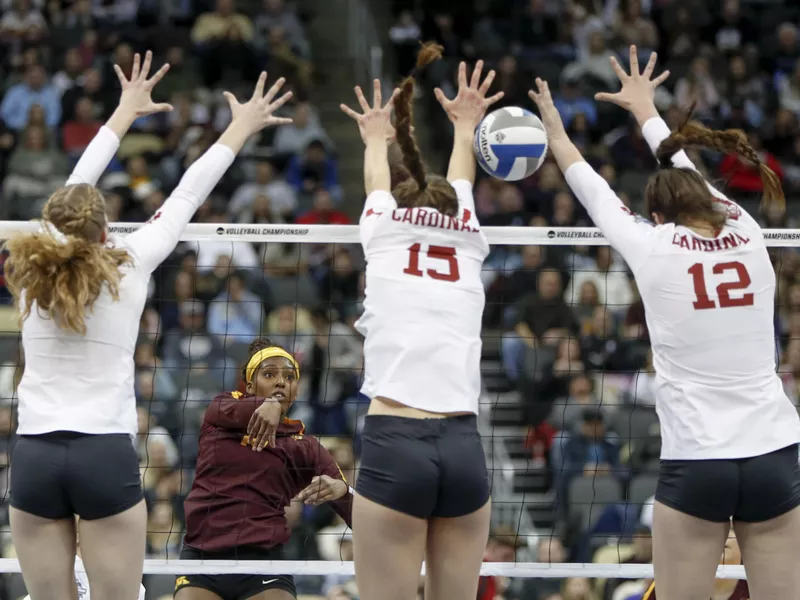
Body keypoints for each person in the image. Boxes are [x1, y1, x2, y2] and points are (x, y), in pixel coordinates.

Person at [4, 49, 293, 600]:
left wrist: (120, 114)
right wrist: (239, 127)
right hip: (103, 454)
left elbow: (74, 187)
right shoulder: (130, 266)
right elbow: (187, 192)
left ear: (53, 222)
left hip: (36, 455)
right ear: (105, 229)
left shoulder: (27, 268)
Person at [528, 44, 800, 600]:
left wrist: (555, 133)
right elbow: (688, 169)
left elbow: (594, 192)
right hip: (774, 452)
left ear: (656, 215)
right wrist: (647, 111)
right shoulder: (745, 228)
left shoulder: (651, 246)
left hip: (700, 460)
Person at [339, 44, 504, 600]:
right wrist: (466, 127)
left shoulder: (384, 228)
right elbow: (461, 185)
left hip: (396, 441)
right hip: (462, 446)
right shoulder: (470, 237)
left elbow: (377, 183)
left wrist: (375, 140)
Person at [175, 338, 353, 600]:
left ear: (296, 390)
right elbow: (229, 409)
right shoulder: (221, 411)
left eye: (289, 377)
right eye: (269, 374)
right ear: (249, 385)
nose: (281, 382)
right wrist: (267, 404)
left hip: (264, 562)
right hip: (203, 557)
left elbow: (358, 516)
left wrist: (342, 489)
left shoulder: (305, 446)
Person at [642, 530, 749, 600]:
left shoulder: (758, 584)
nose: (722, 535)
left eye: (730, 528)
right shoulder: (668, 585)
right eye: (711, 528)